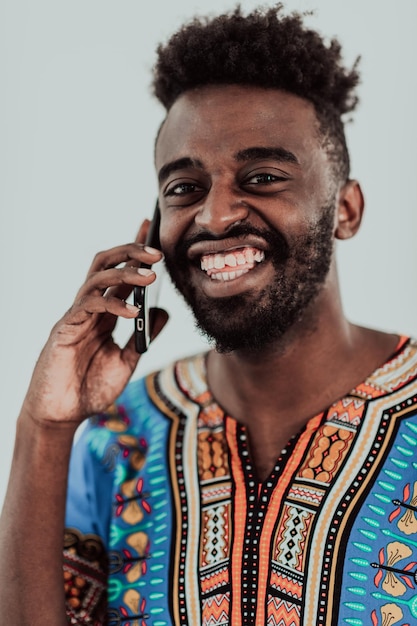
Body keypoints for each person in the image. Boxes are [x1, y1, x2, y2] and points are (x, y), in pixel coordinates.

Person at [1, 4, 417, 625]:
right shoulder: (116, 442)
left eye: (264, 176)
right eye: (183, 188)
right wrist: (45, 427)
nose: (216, 217)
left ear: (346, 210)